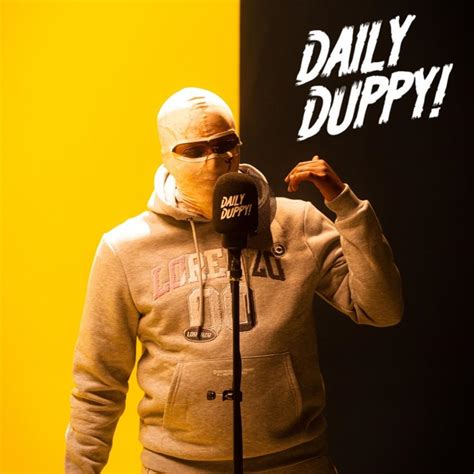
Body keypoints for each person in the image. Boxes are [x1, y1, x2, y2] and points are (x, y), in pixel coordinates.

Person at [65, 87, 403, 473]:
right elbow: (97, 384)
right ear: (166, 157)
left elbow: (382, 309)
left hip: (298, 462)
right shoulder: (126, 248)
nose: (213, 160)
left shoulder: (296, 223)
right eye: (194, 150)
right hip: (177, 466)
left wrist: (345, 205)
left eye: (224, 144)